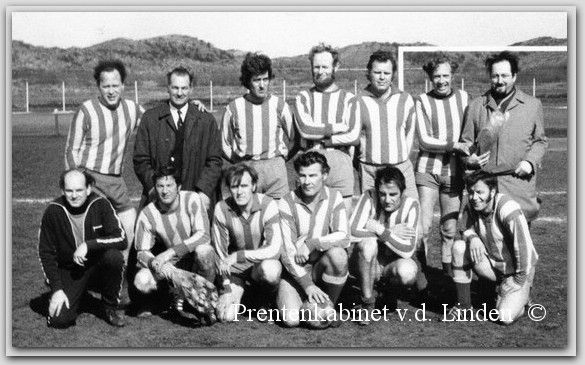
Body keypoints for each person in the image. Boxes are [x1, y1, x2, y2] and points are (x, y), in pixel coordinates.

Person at [64, 60, 142, 300]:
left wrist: (194, 105)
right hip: (91, 179)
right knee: (92, 231)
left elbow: (156, 120)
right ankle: (76, 278)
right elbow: (70, 150)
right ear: (98, 86)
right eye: (105, 85)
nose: (111, 90)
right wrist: (80, 185)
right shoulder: (86, 110)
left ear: (123, 86)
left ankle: (120, 280)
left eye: (115, 85)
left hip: (116, 181)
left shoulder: (131, 109)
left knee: (131, 227)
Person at [460, 51, 548, 224]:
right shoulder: (476, 106)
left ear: (514, 76)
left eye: (505, 75)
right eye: (495, 76)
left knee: (518, 245)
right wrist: (469, 159)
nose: (500, 81)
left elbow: (540, 141)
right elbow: (465, 143)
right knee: (483, 243)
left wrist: (529, 162)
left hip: (518, 185)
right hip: (484, 186)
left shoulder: (532, 105)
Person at [38, 169, 128, 328]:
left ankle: (110, 307)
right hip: (70, 269)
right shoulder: (53, 211)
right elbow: (46, 253)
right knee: (59, 320)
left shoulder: (101, 204)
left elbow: (121, 238)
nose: (74, 195)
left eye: (79, 190)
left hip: (98, 265)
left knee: (113, 257)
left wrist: (88, 245)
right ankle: (77, 295)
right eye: (69, 191)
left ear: (88, 189)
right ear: (62, 191)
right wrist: (57, 289)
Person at [447, 171, 538, 325]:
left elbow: (525, 249)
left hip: (520, 271)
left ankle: (523, 298)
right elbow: (464, 228)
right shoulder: (472, 205)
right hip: (495, 267)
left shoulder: (508, 209)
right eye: (470, 192)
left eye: (479, 192)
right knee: (459, 247)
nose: (474, 197)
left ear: (493, 191)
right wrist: (473, 237)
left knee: (504, 317)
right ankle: (464, 306)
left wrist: (518, 279)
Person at [133, 66, 223, 213]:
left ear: (191, 89)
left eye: (184, 88)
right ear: (168, 88)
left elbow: (215, 160)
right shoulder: (151, 119)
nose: (180, 93)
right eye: (175, 88)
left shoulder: (206, 120)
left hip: (195, 196)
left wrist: (204, 191)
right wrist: (154, 188)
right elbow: (140, 159)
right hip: (161, 198)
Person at [133, 165, 216, 322]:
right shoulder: (148, 213)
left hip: (194, 260)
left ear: (178, 187)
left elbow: (204, 235)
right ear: (155, 188)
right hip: (172, 264)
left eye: (169, 185)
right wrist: (165, 268)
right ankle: (170, 296)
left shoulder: (192, 199)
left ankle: (203, 297)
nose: (165, 191)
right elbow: (141, 252)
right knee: (141, 281)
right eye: (160, 186)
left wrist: (170, 252)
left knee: (205, 251)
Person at [277, 151, 350, 328]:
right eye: (302, 175)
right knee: (291, 319)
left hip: (319, 266)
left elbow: (344, 236)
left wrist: (313, 243)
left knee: (339, 256)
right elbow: (287, 253)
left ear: (324, 175)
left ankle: (328, 305)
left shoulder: (334, 197)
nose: (307, 181)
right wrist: (308, 285)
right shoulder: (286, 202)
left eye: (313, 175)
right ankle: (305, 300)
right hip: (295, 271)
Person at [415, 54, 471, 278]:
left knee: (449, 230)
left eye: (445, 75)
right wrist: (455, 145)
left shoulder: (464, 98)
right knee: (423, 228)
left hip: (455, 172)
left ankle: (447, 278)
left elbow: (470, 133)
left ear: (452, 75)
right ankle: (422, 278)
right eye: (436, 76)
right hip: (428, 170)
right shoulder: (422, 100)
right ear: (430, 77)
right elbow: (425, 141)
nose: (441, 80)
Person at [294, 43, 360, 214]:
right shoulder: (304, 97)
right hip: (310, 163)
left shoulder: (349, 99)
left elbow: (353, 135)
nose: (320, 71)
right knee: (308, 220)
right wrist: (338, 127)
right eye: (316, 67)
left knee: (342, 221)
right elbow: (306, 129)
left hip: (341, 162)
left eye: (325, 66)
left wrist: (326, 139)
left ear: (335, 67)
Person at [349, 166, 420, 325]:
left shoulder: (411, 205)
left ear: (402, 191)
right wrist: (390, 232)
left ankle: (387, 292)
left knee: (407, 272)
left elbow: (408, 250)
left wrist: (380, 229)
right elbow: (352, 231)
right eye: (382, 194)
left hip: (391, 264)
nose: (387, 199)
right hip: (368, 263)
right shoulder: (368, 196)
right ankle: (367, 302)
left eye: (393, 194)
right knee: (368, 244)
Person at [212, 163, 283, 322]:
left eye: (244, 185)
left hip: (260, 265)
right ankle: (247, 296)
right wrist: (226, 288)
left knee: (271, 270)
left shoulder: (268, 204)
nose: (239, 191)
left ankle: (264, 302)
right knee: (226, 317)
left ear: (254, 186)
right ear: (229, 188)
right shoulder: (221, 208)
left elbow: (274, 249)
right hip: (236, 270)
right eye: (234, 186)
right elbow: (220, 254)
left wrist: (240, 255)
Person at [221, 52, 295, 200]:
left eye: (265, 79)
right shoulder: (234, 108)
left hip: (275, 172)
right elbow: (224, 144)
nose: (262, 85)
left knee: (280, 218)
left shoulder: (280, 105)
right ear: (248, 82)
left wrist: (281, 159)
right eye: (257, 80)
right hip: (246, 170)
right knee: (248, 219)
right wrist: (239, 162)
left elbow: (295, 139)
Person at [353, 50, 418, 200]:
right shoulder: (357, 100)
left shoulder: (405, 99)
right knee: (373, 217)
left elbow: (409, 134)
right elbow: (353, 140)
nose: (382, 77)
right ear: (369, 73)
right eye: (377, 72)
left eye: (386, 73)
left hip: (400, 167)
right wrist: (363, 163)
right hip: (370, 170)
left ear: (393, 74)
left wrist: (401, 159)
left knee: (410, 215)